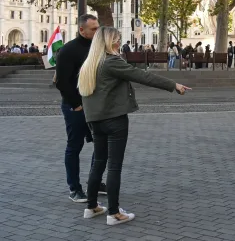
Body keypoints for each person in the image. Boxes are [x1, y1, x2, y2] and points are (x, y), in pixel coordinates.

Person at [77, 26, 191, 225]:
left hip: (95, 121)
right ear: (108, 42)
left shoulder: (89, 64)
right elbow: (142, 76)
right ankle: (113, 213)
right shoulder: (111, 62)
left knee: (98, 162)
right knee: (114, 166)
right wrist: (173, 85)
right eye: (116, 40)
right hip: (114, 120)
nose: (119, 43)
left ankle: (92, 206)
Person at [54, 14, 103, 203]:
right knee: (75, 147)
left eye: (98, 28)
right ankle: (74, 188)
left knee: (100, 145)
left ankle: (95, 182)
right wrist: (76, 105)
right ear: (82, 29)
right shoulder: (68, 50)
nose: (97, 31)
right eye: (93, 29)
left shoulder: (97, 47)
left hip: (95, 105)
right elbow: (61, 82)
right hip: (76, 106)